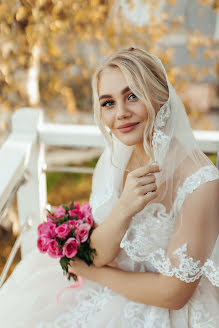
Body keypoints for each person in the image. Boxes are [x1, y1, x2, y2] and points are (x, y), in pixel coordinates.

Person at [0, 47, 218, 327]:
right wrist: (124, 209)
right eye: (108, 103)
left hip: (166, 309)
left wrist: (95, 274)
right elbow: (100, 254)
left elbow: (174, 294)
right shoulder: (118, 156)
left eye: (132, 96)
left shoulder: (202, 182)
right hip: (109, 289)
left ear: (160, 96)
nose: (121, 113)